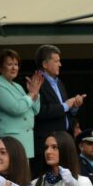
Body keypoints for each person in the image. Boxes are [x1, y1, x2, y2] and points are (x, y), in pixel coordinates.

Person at [32, 45, 85, 177]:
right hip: (46, 143)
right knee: (46, 180)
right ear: (45, 64)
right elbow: (39, 112)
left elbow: (64, 111)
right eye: (56, 61)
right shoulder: (36, 82)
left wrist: (74, 106)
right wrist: (66, 105)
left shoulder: (59, 83)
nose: (60, 64)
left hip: (63, 140)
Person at [0, 49, 43, 160]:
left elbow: (35, 110)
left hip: (24, 140)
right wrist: (31, 94)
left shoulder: (18, 86)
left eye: (16, 64)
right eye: (10, 64)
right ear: (0, 68)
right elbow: (16, 108)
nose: (14, 68)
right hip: (8, 140)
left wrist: (35, 93)